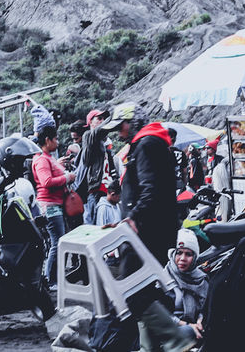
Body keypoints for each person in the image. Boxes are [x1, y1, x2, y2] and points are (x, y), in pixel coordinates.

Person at [122, 120, 200, 352]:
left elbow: (150, 188)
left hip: (148, 230)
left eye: (121, 126)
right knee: (144, 290)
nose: (119, 132)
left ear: (132, 123)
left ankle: (175, 339)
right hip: (153, 228)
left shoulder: (147, 145)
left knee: (132, 290)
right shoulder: (151, 143)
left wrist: (133, 216)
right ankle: (151, 346)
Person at [32, 124, 69, 285]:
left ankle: (53, 279)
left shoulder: (47, 158)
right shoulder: (41, 159)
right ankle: (51, 280)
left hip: (55, 205)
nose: (58, 142)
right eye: (56, 138)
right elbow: (46, 181)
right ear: (47, 140)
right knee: (57, 243)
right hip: (50, 206)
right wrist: (67, 178)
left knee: (59, 242)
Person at [75, 108, 118, 225]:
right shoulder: (89, 136)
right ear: (90, 122)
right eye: (99, 118)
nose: (102, 121)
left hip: (104, 190)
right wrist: (113, 116)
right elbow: (99, 131)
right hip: (95, 190)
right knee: (94, 226)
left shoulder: (102, 142)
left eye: (103, 118)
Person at [166, 229, 208, 331]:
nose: (182, 258)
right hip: (169, 330)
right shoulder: (164, 277)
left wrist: (200, 321)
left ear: (194, 258)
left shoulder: (201, 279)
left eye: (188, 254)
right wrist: (187, 325)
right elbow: (159, 315)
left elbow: (206, 308)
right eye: (179, 253)